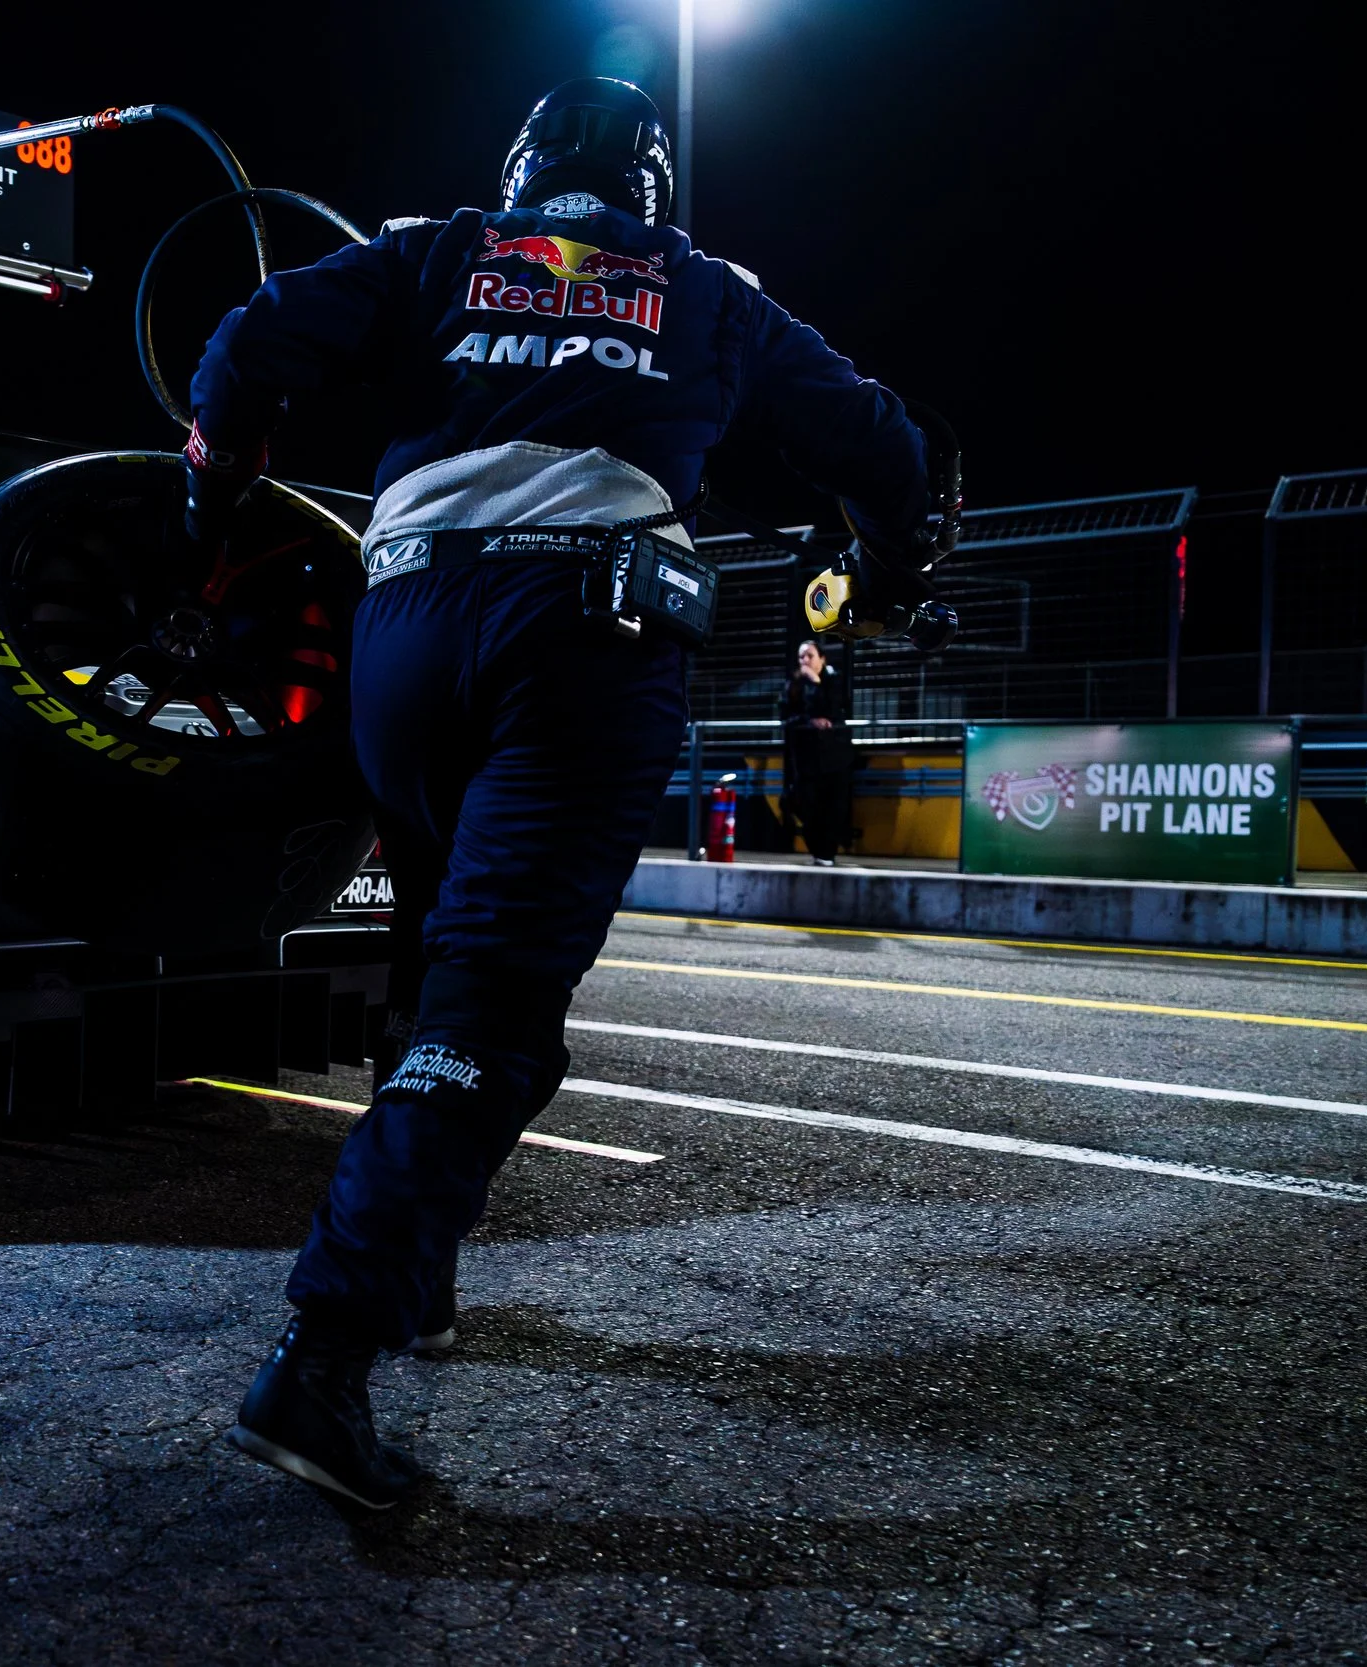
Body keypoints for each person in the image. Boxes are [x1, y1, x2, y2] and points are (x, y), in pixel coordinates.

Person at [186, 77, 942, 1507]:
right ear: (653, 186)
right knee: (492, 1007)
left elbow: (242, 351)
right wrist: (893, 564)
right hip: (583, 643)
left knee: (428, 971)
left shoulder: (428, 243)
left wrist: (210, 500)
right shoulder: (705, 286)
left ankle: (417, 1281)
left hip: (400, 640)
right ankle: (323, 1355)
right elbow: (885, 448)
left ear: (525, 169)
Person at [779, 640, 852, 865]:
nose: (805, 661)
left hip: (832, 759)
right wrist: (809, 721)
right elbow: (786, 716)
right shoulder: (794, 685)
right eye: (802, 657)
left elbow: (833, 711)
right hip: (804, 759)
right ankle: (818, 851)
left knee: (832, 805)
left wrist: (817, 684)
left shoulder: (833, 682)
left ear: (822, 659)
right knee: (805, 803)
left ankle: (827, 853)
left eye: (810, 656)